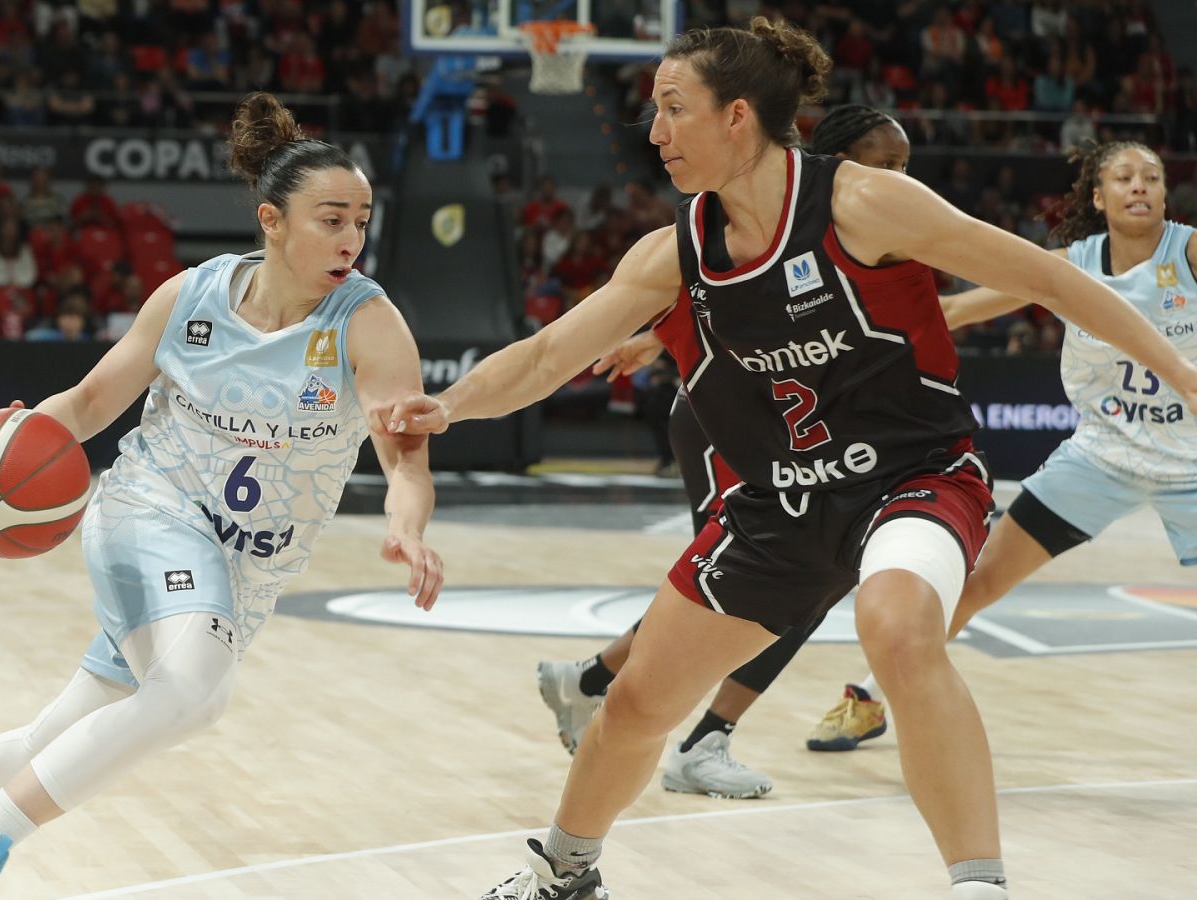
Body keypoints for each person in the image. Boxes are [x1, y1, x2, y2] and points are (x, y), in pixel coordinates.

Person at [380, 20, 1197, 900]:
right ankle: (567, 874)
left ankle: (979, 885)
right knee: (635, 706)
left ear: (737, 117)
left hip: (912, 478)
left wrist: (1184, 372)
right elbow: (547, 357)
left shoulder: (864, 203)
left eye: (671, 109)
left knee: (896, 627)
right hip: (778, 503)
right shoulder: (675, 250)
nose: (652, 132)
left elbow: (1053, 279)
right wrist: (450, 404)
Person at [0, 93, 445, 900]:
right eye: (330, 219)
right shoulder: (187, 297)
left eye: (360, 220)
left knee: (61, 736)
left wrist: (410, 529)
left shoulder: (369, 324)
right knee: (194, 693)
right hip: (145, 509)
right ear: (272, 220)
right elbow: (87, 406)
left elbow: (406, 463)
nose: (350, 240)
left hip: (243, 570)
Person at [536, 104, 914, 799]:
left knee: (771, 584)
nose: (897, 178)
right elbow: (729, 300)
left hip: (789, 433)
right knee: (759, 583)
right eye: (881, 163)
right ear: (835, 164)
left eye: (903, 165)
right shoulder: (796, 223)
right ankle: (698, 739)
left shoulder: (879, 234)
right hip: (731, 428)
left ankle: (592, 681)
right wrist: (655, 336)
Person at [809, 140, 1197, 750]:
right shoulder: (1069, 263)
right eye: (1124, 177)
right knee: (979, 580)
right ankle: (870, 698)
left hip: (1192, 465)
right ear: (1099, 197)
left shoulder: (1190, 250)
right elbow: (958, 307)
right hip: (1102, 457)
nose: (1140, 186)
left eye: (1151, 175)